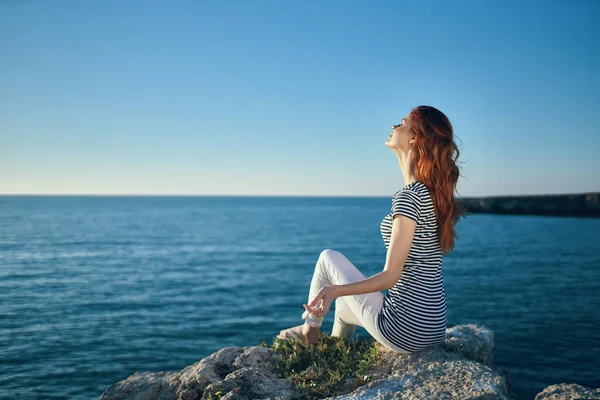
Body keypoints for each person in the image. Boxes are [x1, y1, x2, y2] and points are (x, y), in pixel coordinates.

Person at [277, 105, 467, 353]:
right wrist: (340, 294)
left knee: (327, 258)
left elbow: (390, 276)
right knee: (346, 308)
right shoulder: (430, 194)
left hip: (405, 330)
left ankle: (308, 331)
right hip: (433, 327)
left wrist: (333, 290)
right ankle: (335, 349)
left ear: (414, 137)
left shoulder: (409, 197)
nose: (393, 126)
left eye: (401, 122)